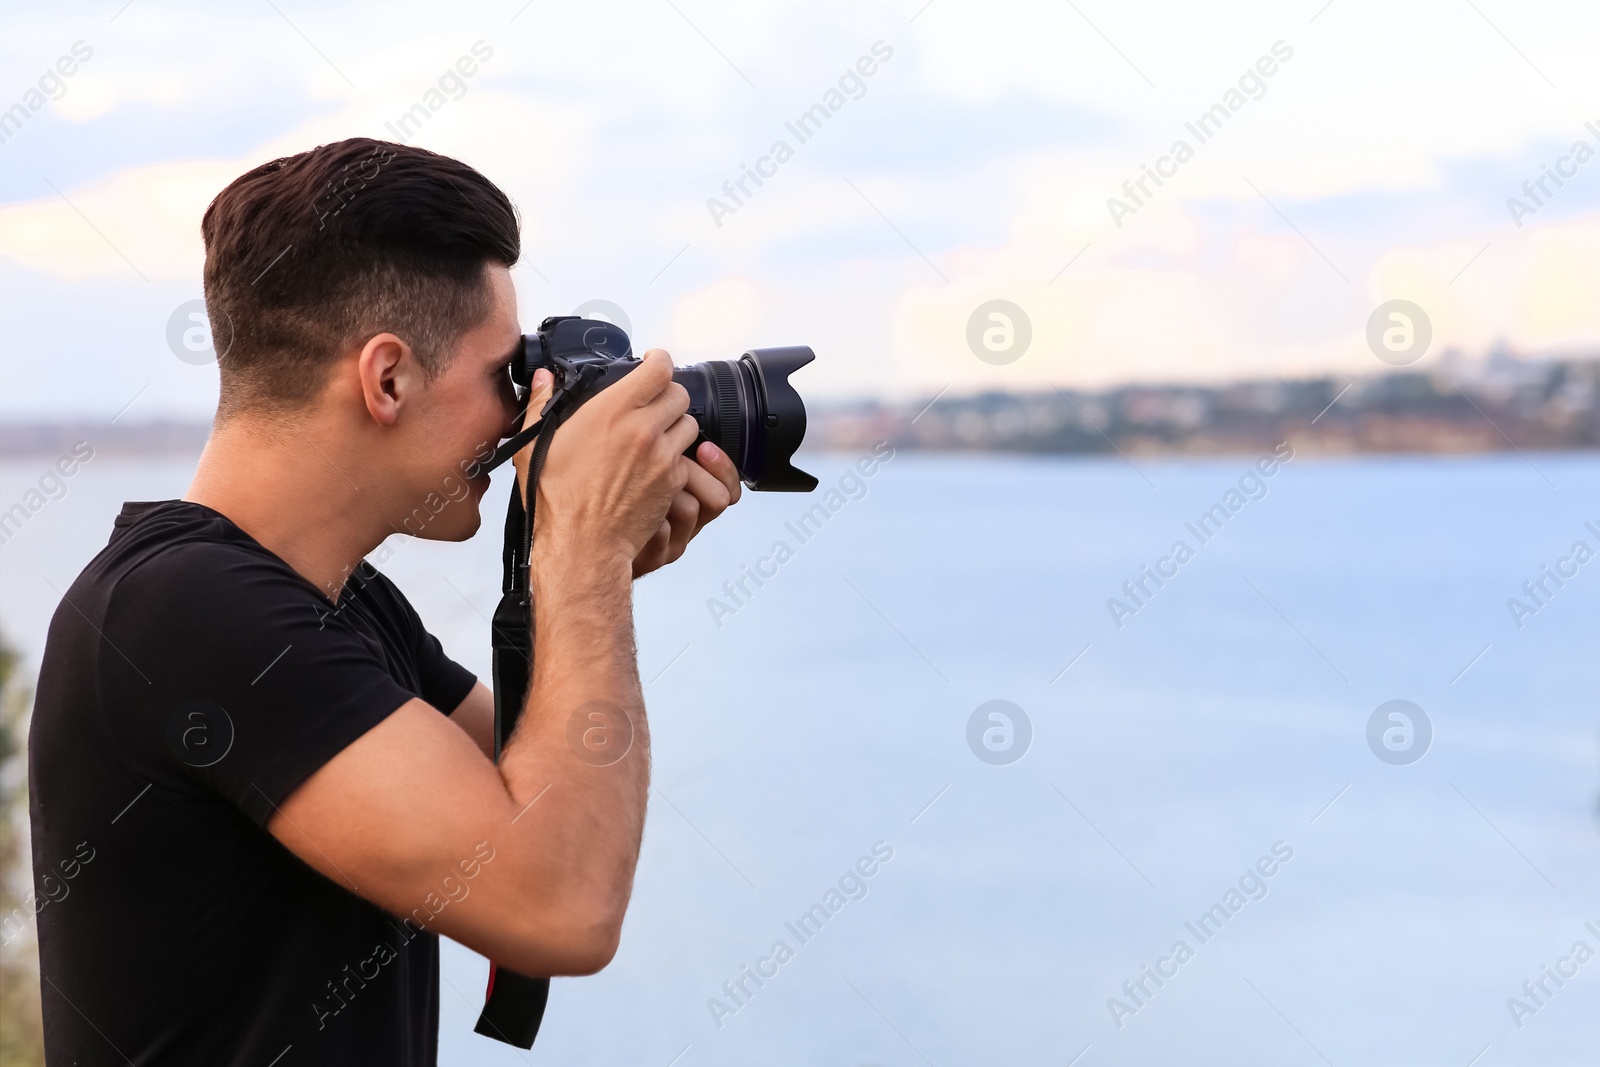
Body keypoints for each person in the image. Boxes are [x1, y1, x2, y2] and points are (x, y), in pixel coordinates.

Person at [27, 137, 740, 1065]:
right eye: (505, 376)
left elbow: (545, 788)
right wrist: (582, 563)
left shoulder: (338, 603)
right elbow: (562, 905)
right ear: (388, 378)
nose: (526, 411)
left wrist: (585, 562)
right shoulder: (182, 613)